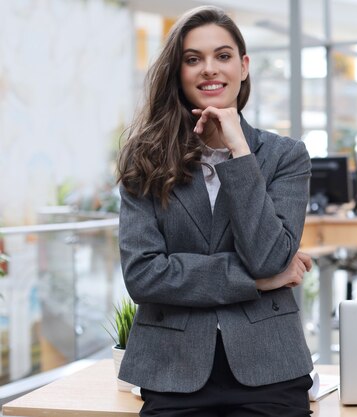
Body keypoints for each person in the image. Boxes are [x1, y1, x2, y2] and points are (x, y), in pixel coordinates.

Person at [116, 5, 314, 417]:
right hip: (172, 369)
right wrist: (256, 283)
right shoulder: (146, 158)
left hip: (271, 370)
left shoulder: (285, 156)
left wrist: (237, 152)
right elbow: (144, 276)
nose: (209, 69)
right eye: (193, 59)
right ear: (179, 71)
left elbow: (268, 256)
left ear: (243, 67)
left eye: (222, 56)